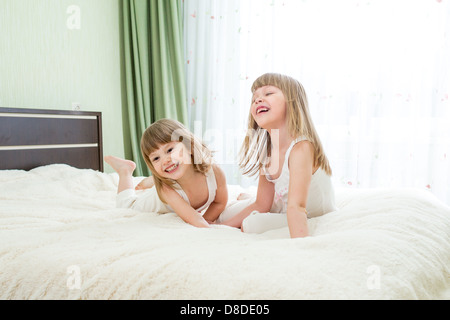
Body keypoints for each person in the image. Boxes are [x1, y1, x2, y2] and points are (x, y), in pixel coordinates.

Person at [220, 73, 337, 238]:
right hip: (286, 206)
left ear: (292, 102)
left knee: (250, 224)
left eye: (268, 93)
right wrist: (219, 227)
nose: (258, 100)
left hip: (307, 213)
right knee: (225, 214)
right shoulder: (268, 151)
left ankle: (257, 201)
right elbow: (261, 204)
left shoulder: (301, 148)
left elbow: (297, 208)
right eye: (254, 99)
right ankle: (249, 199)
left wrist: (303, 247)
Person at [105, 119, 231, 228]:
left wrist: (208, 219)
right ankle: (125, 171)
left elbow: (219, 202)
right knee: (126, 205)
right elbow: (196, 220)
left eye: (170, 150)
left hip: (168, 183)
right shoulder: (167, 190)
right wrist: (206, 225)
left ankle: (151, 180)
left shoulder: (215, 172)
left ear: (189, 145)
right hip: (159, 196)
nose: (165, 160)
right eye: (156, 158)